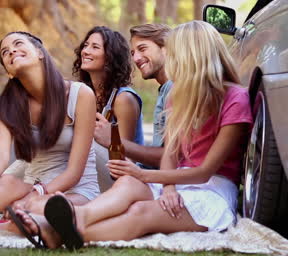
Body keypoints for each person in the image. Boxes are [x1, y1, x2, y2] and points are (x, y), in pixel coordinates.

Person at [16, 20, 253, 249]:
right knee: (128, 183)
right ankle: (78, 217)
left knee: (140, 211)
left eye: (176, 54)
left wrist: (146, 175)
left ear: (193, 56)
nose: (173, 61)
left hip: (213, 190)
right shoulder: (179, 96)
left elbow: (205, 172)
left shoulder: (235, 98)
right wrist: (167, 187)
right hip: (177, 181)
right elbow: (170, 154)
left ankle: (64, 233)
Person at [0, 31, 100, 245]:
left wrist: (34, 195)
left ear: (40, 53)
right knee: (5, 186)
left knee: (44, 205)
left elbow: (75, 171)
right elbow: (0, 159)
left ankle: (26, 220)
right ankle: (29, 220)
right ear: (9, 72)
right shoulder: (8, 106)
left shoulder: (81, 94)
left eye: (18, 44)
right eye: (5, 52)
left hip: (76, 189)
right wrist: (23, 193)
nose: (12, 51)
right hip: (32, 184)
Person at [73, 26, 144, 191]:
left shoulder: (123, 98)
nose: (85, 51)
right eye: (85, 45)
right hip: (90, 171)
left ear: (110, 57)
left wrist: (109, 137)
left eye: (95, 47)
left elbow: (126, 158)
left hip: (122, 177)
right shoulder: (84, 93)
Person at [94, 23, 173, 170]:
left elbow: (170, 158)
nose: (136, 58)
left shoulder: (175, 89)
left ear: (166, 48)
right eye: (132, 53)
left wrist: (113, 139)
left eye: (142, 49)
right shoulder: (165, 90)